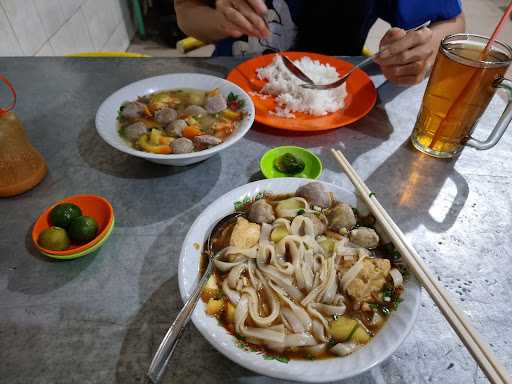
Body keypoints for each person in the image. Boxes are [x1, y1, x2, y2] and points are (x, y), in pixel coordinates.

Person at [174, 0, 465, 86]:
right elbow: (186, 12)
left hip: (332, 111)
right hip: (227, 93)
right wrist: (221, 21)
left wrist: (425, 50)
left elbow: (453, 22)